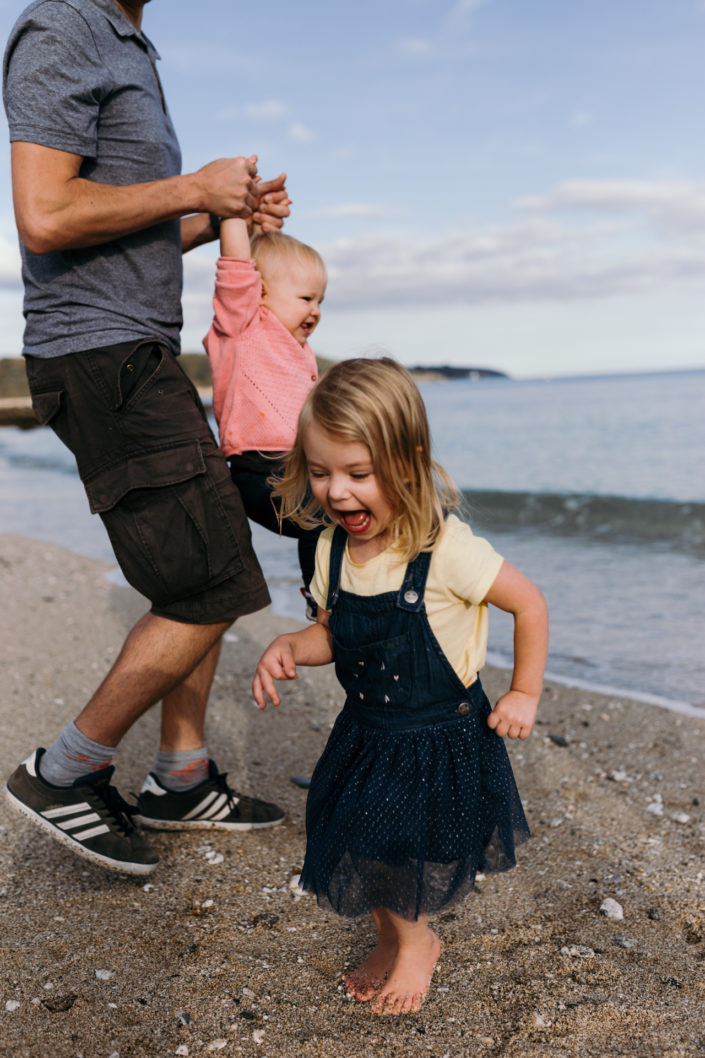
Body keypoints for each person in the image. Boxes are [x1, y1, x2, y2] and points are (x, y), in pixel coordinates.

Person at [2, 0, 291, 877]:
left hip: (132, 349)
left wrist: (223, 217)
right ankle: (66, 769)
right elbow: (46, 214)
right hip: (103, 355)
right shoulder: (64, 28)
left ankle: (181, 777)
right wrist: (195, 186)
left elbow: (127, 228)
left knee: (208, 563)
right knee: (212, 579)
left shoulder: (128, 42)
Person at [252, 358, 549, 1015]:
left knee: (401, 847)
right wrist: (288, 648)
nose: (337, 492)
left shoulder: (445, 549)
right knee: (354, 838)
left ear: (407, 464)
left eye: (358, 474)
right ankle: (392, 939)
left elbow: (528, 605)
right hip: (365, 732)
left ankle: (417, 946)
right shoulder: (331, 550)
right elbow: (332, 634)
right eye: (322, 473)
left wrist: (523, 692)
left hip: (439, 737)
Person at [202, 216, 326, 610]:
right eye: (307, 298)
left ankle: (351, 590)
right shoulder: (244, 326)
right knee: (319, 518)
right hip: (258, 470)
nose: (316, 310)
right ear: (260, 293)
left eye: (321, 300)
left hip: (295, 468)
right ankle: (322, 601)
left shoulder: (299, 351)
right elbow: (236, 272)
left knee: (349, 509)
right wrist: (234, 213)